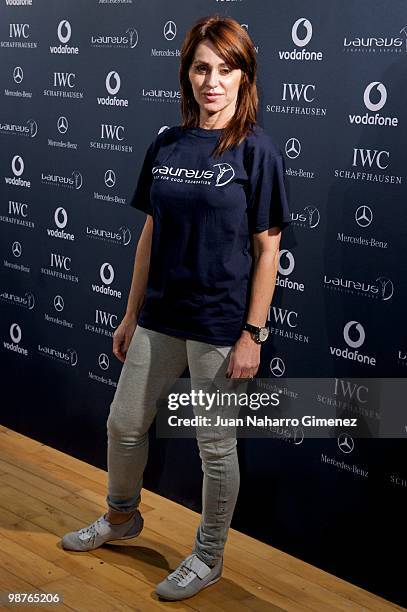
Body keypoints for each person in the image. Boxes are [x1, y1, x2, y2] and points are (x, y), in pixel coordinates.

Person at [61, 14, 291, 602]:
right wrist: (131, 312)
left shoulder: (257, 150)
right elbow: (149, 236)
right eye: (201, 68)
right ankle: (121, 517)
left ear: (245, 76)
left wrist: (253, 334)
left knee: (215, 449)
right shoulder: (166, 142)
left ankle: (209, 556)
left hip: (218, 326)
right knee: (123, 424)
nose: (212, 81)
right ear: (187, 73)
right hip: (160, 317)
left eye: (226, 68)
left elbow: (269, 250)